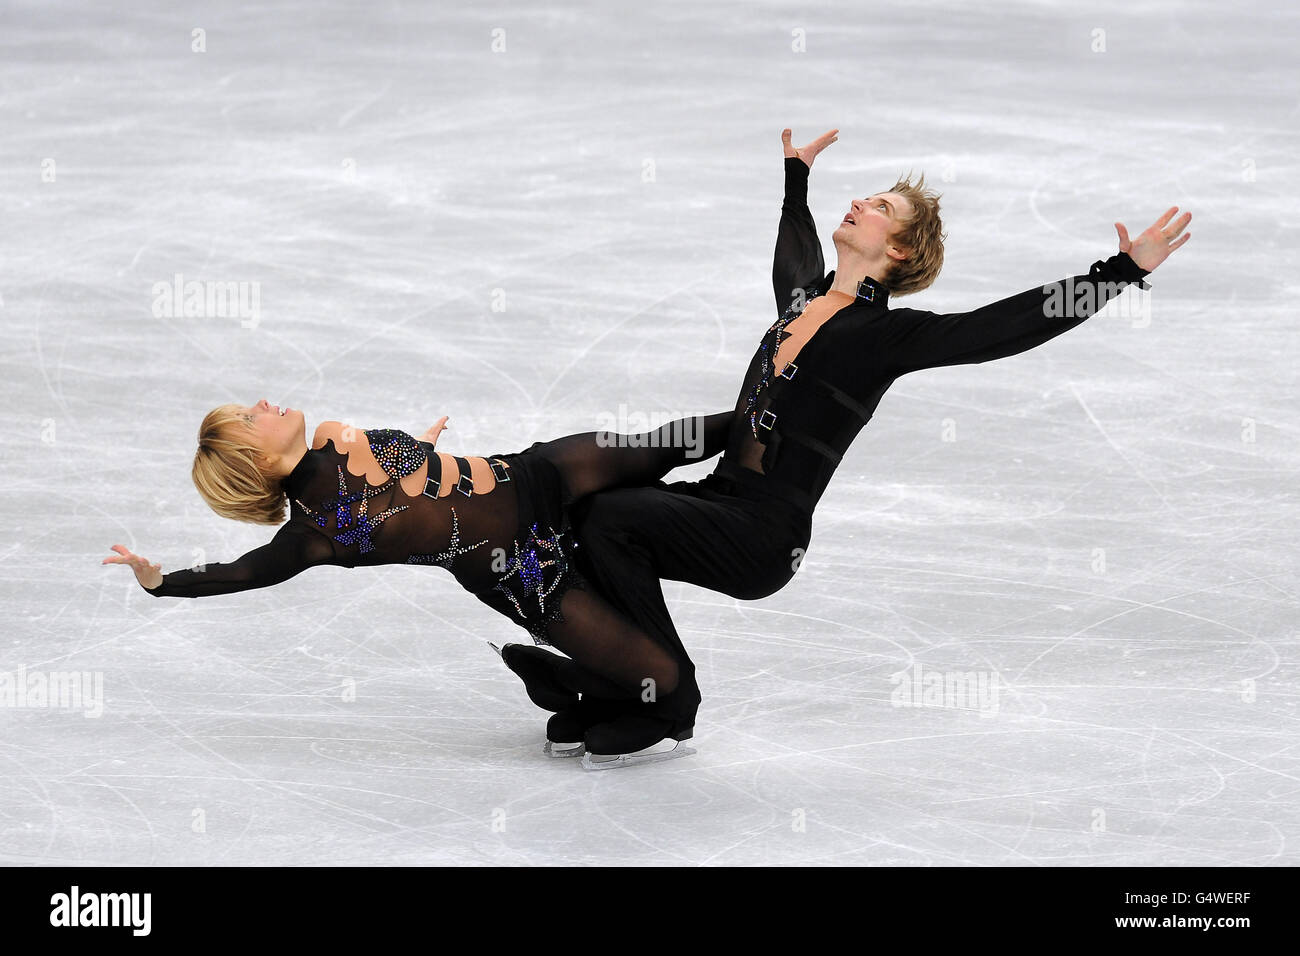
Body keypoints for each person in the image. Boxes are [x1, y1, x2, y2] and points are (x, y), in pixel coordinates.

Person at [503, 125, 1192, 756]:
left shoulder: (886, 337)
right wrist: (796, 180)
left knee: (614, 520)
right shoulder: (804, 301)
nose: (862, 201)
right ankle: (617, 681)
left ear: (896, 250)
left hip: (762, 534)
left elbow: (998, 328)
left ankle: (668, 695)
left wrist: (1120, 272)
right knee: (585, 514)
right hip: (716, 499)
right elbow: (795, 254)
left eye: (883, 207)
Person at [104, 400, 732, 767]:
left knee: (665, 445)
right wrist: (161, 582)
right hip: (521, 573)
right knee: (666, 683)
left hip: (531, 477)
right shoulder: (313, 534)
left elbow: (401, 470)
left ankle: (774, 405)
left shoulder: (332, 436)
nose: (263, 404)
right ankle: (602, 696)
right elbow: (243, 572)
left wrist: (422, 455)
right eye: (250, 417)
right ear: (258, 461)